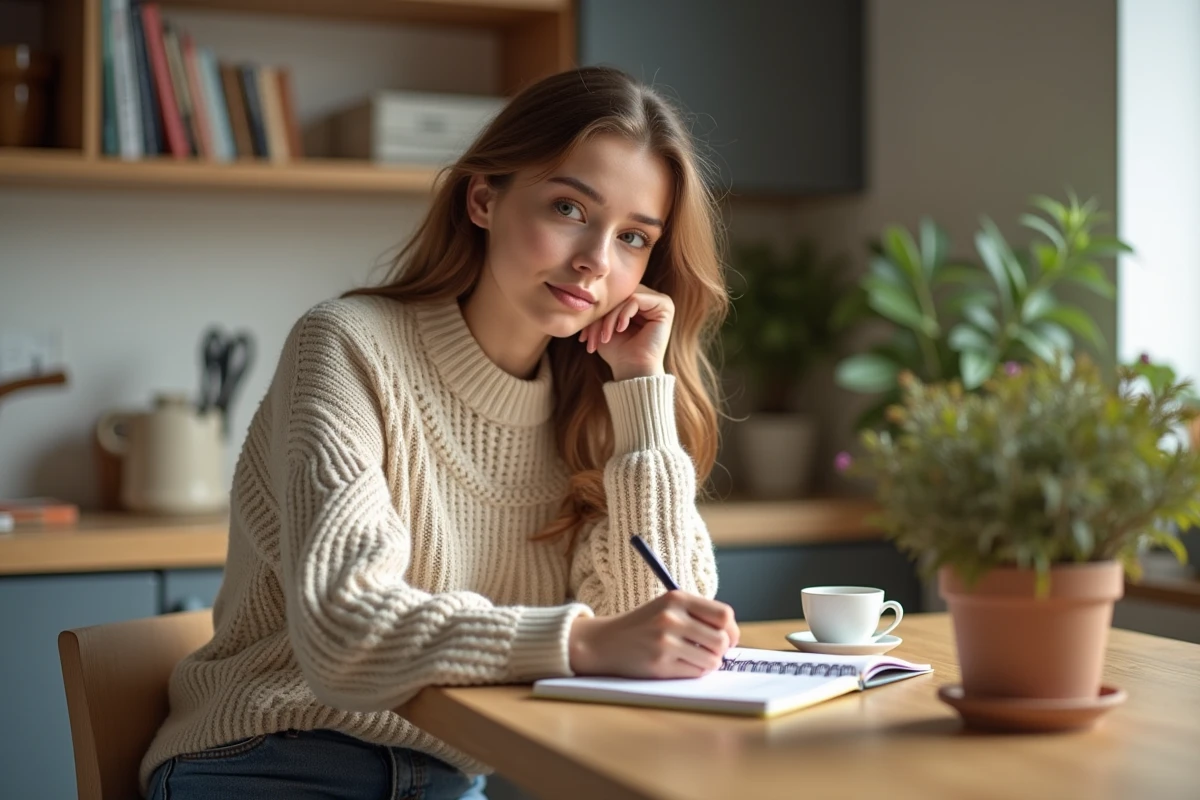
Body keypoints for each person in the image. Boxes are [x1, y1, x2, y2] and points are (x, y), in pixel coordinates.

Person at [140, 65, 740, 800]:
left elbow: (648, 628)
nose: (596, 262)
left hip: (452, 779)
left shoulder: (593, 410)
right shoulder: (349, 347)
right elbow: (344, 631)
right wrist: (577, 642)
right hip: (274, 757)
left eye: (635, 238)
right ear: (484, 198)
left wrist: (642, 394)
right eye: (569, 208)